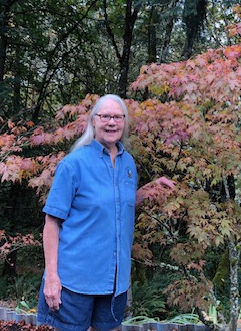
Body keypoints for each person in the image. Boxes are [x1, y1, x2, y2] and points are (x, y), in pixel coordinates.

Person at [37, 94, 175, 331]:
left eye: (117, 117)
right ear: (94, 121)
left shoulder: (128, 163)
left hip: (114, 280)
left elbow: (119, 203)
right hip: (75, 279)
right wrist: (51, 278)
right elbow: (51, 223)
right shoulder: (73, 165)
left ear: (124, 122)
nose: (112, 122)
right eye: (105, 117)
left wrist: (152, 189)